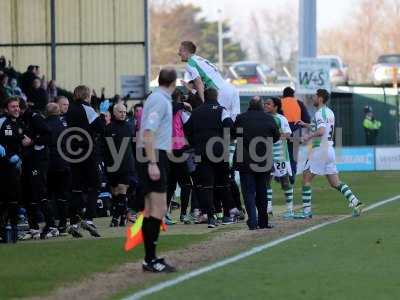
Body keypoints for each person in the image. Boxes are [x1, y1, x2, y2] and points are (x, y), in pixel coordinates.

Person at [295, 89, 363, 219]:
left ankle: (306, 212)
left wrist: (307, 137)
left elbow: (321, 131)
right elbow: (323, 128)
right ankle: (356, 202)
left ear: (320, 98)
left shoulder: (320, 113)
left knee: (306, 178)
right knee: (335, 183)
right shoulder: (329, 112)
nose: (313, 98)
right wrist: (306, 124)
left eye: (315, 96)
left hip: (319, 149)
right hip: (329, 149)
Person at [137, 68, 176, 273]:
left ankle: (149, 259)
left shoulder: (157, 98)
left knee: (151, 209)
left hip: (153, 154)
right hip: (154, 156)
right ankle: (150, 259)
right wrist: (153, 163)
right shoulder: (160, 100)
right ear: (174, 83)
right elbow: (148, 132)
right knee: (159, 209)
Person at [184, 88, 236, 228]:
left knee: (206, 185)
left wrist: (195, 142)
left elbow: (186, 129)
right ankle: (226, 216)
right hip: (219, 151)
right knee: (223, 184)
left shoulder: (196, 112)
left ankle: (211, 217)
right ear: (217, 96)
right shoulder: (221, 110)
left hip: (201, 152)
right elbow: (230, 126)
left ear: (204, 97)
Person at [233, 97, 280, 230]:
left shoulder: (241, 118)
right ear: (260, 105)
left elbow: (232, 133)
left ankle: (253, 221)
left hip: (245, 161)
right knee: (262, 192)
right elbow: (276, 137)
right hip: (263, 160)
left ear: (249, 105)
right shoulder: (269, 118)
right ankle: (263, 222)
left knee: (248, 192)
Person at [66, 85, 106, 238]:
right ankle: (88, 218)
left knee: (76, 188)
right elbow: (101, 128)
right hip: (88, 151)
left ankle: (74, 222)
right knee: (95, 185)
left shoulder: (70, 110)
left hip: (73, 153)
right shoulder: (87, 109)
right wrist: (101, 114)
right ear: (86, 96)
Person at [19, 97, 57, 239]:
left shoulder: (35, 117)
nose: (16, 110)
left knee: (39, 191)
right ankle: (33, 228)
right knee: (27, 194)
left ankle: (52, 225)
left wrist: (33, 141)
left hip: (38, 161)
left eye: (17, 107)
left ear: (22, 108)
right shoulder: (18, 121)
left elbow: (49, 136)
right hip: (27, 161)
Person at [178, 41, 240, 121]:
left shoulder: (190, 63)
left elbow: (198, 82)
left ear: (186, 51)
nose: (178, 53)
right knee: (233, 120)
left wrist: (205, 103)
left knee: (219, 120)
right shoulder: (200, 59)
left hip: (220, 92)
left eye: (180, 50)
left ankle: (225, 134)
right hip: (231, 89)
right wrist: (191, 89)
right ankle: (232, 134)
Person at [0, 97, 26, 243]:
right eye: (13, 107)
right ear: (6, 109)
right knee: (5, 200)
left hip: (14, 168)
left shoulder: (19, 123)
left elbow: (21, 142)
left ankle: (13, 229)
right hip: (3, 167)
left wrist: (20, 153)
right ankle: (5, 230)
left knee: (14, 199)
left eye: (17, 106)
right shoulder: (3, 122)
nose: (16, 109)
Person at [103, 103, 134, 227]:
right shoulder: (108, 128)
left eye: (125, 112)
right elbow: (105, 147)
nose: (123, 114)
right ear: (114, 113)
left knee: (122, 189)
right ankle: (122, 216)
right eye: (120, 112)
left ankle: (115, 218)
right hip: (112, 165)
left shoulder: (129, 127)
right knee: (115, 192)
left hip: (126, 164)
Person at [264, 97, 295, 218]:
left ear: (275, 106)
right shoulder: (263, 118)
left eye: (268, 104)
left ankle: (290, 209)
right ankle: (269, 208)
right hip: (266, 155)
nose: (265, 105)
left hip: (280, 155)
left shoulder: (281, 119)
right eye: (265, 103)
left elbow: (288, 134)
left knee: (285, 182)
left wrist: (276, 135)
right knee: (266, 182)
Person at [166, 89, 193, 224]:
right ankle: (182, 214)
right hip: (176, 150)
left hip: (169, 150)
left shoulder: (173, 109)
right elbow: (189, 125)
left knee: (171, 184)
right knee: (186, 184)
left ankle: (165, 214)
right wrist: (185, 106)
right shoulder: (174, 109)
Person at [45, 103, 70, 235]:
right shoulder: (63, 126)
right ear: (58, 112)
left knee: (48, 196)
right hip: (63, 163)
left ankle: (51, 224)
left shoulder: (44, 125)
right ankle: (62, 224)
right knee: (62, 196)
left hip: (48, 164)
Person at [281, 87, 310, 184]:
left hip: (283, 131)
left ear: (283, 94)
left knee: (283, 155)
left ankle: (282, 174)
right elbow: (307, 119)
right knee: (293, 156)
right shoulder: (299, 103)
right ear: (293, 94)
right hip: (296, 131)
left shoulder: (279, 103)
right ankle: (292, 174)